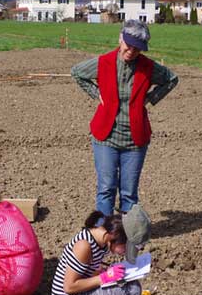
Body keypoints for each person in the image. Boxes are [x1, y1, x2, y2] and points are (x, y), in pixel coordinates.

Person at [71, 20, 179, 216]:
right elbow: (77, 72)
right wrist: (96, 93)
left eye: (138, 49)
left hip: (135, 139)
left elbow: (172, 80)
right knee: (106, 188)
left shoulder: (148, 67)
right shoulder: (103, 62)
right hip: (105, 137)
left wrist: (150, 98)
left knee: (129, 193)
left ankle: (127, 238)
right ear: (120, 39)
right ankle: (103, 235)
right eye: (129, 45)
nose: (132, 51)